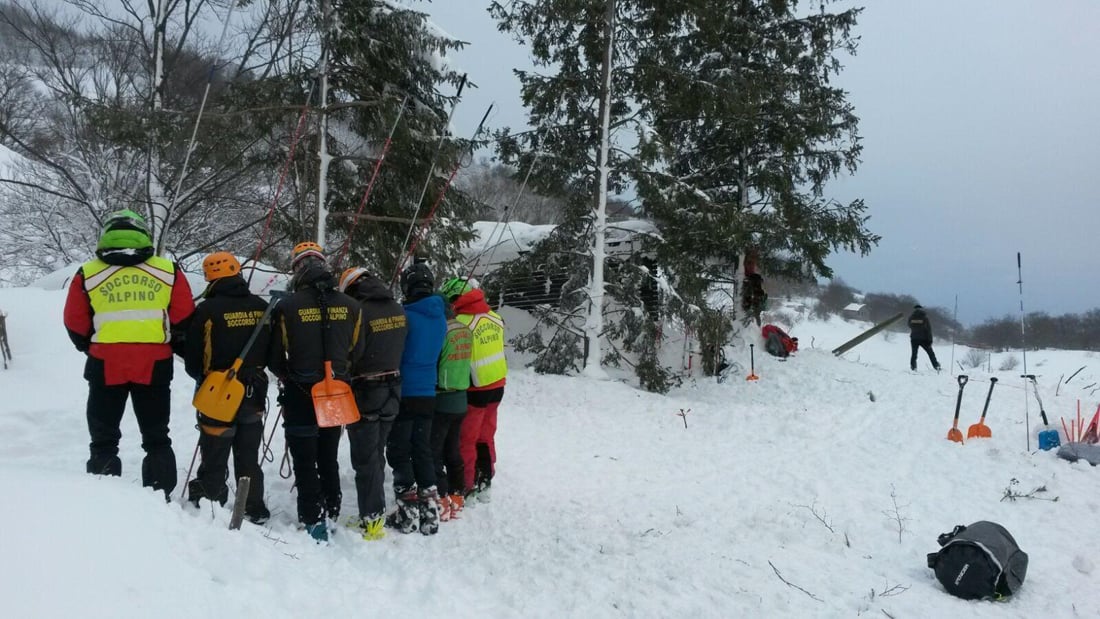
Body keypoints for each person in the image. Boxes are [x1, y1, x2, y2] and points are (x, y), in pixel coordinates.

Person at [63, 209, 194, 499]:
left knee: (103, 437)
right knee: (157, 435)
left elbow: (74, 320)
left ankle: (104, 493)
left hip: (105, 362)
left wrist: (91, 345)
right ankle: (160, 495)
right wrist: (171, 342)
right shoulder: (167, 270)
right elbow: (184, 317)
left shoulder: (89, 272)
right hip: (154, 363)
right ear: (144, 234)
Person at [268, 242, 365, 541]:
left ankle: (313, 517)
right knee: (328, 454)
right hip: (336, 391)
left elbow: (274, 356)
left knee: (304, 458)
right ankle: (331, 508)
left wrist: (287, 374)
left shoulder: (287, 306)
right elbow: (357, 350)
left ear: (298, 270)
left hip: (301, 391)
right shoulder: (351, 306)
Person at [183, 252, 271, 523]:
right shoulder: (261, 306)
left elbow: (194, 354)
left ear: (210, 277)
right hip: (254, 389)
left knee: (215, 447)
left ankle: (212, 497)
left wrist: (201, 376)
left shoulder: (207, 310)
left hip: (218, 389)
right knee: (248, 452)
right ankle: (253, 506)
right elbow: (271, 347)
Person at [337, 267, 407, 540]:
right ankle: (375, 510)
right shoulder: (397, 308)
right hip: (394, 388)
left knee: (365, 459)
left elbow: (354, 352)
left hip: (367, 388)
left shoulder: (358, 311)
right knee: (377, 452)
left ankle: (372, 521)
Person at [386, 260, 446, 535]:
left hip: (405, 390)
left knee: (399, 449)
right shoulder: (439, 316)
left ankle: (407, 509)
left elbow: (397, 351)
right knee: (421, 448)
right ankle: (429, 508)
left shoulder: (404, 316)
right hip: (427, 392)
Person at [440, 277, 507, 503]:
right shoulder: (494, 317)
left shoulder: (462, 322)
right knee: (486, 435)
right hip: (497, 384)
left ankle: (467, 485)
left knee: (466, 439)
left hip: (475, 387)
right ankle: (485, 479)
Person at [431, 297, 472, 522]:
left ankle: (442, 496)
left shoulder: (442, 331)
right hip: (461, 397)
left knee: (434, 451)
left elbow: (434, 360)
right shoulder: (464, 329)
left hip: (442, 396)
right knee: (453, 449)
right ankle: (458, 494)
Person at [908, 304, 941, 371]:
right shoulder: (924, 317)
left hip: (914, 338)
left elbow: (909, 325)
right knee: (930, 353)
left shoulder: (911, 317)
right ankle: (936, 366)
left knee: (914, 353)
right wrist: (930, 340)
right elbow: (928, 329)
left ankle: (913, 367)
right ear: (921, 309)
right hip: (924, 339)